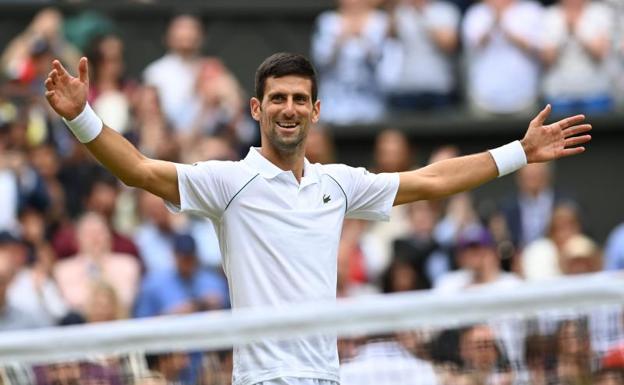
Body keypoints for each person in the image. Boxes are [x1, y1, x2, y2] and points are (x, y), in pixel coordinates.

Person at [44, 52, 591, 385]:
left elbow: (429, 180)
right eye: (277, 98)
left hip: (327, 373)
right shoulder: (227, 183)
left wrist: (519, 152)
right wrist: (82, 117)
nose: (289, 108)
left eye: (300, 99)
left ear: (316, 110)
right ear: (257, 109)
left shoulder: (338, 183)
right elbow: (138, 169)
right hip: (262, 376)